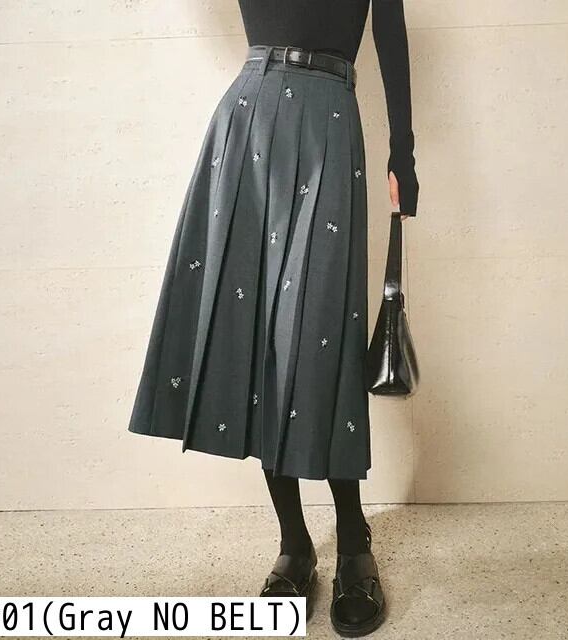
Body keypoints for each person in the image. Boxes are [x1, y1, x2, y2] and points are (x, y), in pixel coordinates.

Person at [128, 0, 418, 635]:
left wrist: (404, 151)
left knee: (318, 337)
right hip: (250, 116)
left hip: (329, 120)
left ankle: (353, 540)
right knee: (254, 330)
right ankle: (294, 542)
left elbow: (390, 31)